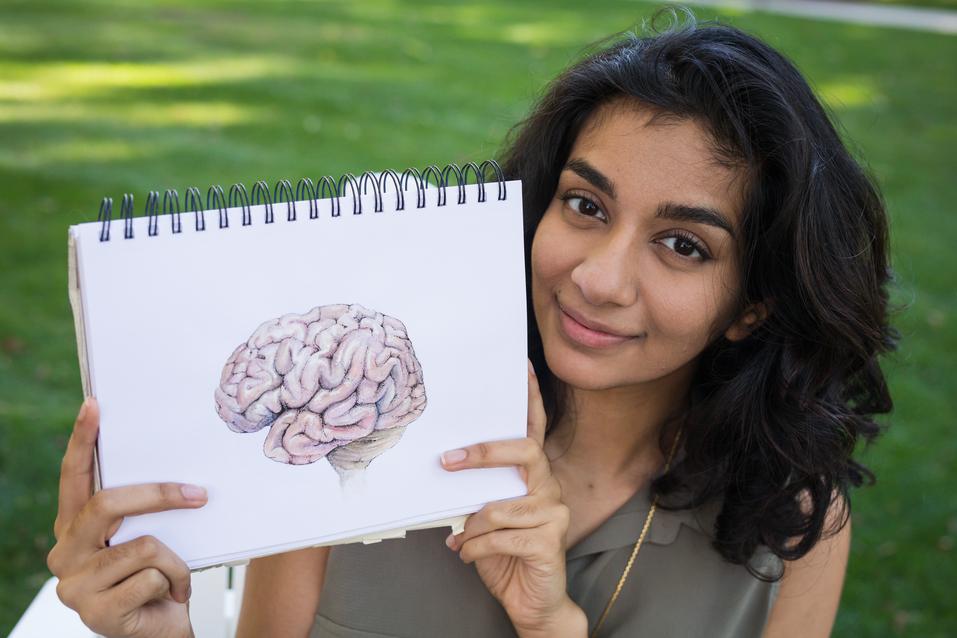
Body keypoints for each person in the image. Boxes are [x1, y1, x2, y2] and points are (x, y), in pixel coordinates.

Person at [46, 10, 896, 638]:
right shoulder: (352, 453)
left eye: (682, 244)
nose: (597, 278)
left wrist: (550, 624)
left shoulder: (792, 520)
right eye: (584, 203)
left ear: (754, 305)